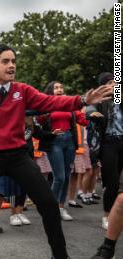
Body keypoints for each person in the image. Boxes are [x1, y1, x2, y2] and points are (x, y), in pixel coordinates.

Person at [0, 44, 113, 259]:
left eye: (13, 61)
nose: (11, 65)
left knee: (48, 204)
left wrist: (82, 100)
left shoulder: (22, 90)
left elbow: (50, 101)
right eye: (5, 61)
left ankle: (60, 254)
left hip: (17, 156)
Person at [37, 81, 89, 221]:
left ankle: (61, 207)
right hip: (54, 141)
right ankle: (51, 209)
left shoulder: (69, 105)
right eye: (56, 88)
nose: (59, 89)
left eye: (61, 87)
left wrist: (91, 115)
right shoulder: (46, 104)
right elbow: (37, 120)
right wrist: (49, 127)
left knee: (66, 176)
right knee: (59, 177)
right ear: (50, 91)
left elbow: (83, 120)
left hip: (69, 141)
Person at [86, 72, 122, 230]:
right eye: (111, 83)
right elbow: (88, 109)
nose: (114, 85)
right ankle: (107, 217)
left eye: (116, 83)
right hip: (108, 144)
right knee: (111, 184)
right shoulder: (101, 101)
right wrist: (92, 113)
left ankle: (117, 215)